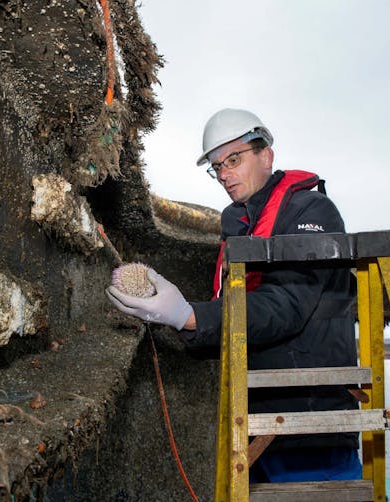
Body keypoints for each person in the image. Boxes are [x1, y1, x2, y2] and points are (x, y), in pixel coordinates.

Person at [106, 108, 361, 482]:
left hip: (310, 422)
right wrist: (170, 319)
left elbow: (287, 306)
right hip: (253, 419)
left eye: (234, 160)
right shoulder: (241, 226)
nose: (224, 174)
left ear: (266, 155)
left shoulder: (312, 211)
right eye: (216, 166)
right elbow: (232, 322)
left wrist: (189, 316)